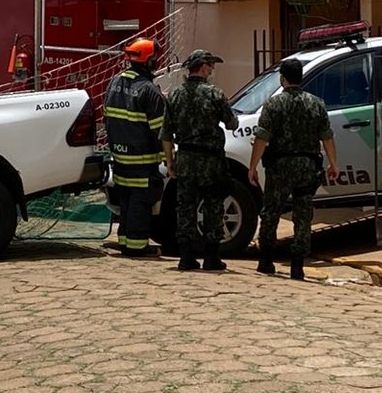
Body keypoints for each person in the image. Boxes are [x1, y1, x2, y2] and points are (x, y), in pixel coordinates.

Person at [248, 58, 338, 280]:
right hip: (308, 166)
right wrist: (334, 163)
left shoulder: (273, 104)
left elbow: (262, 137)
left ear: (282, 79)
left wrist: (252, 166)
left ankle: (266, 260)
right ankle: (297, 265)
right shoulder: (316, 103)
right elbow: (326, 136)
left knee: (271, 212)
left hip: (280, 166)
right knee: (303, 214)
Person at [161, 49, 239, 271]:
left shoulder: (175, 95)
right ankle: (211, 257)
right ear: (203, 67)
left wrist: (169, 162)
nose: (212, 69)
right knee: (213, 205)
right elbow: (231, 123)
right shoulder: (215, 94)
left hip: (185, 157)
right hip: (210, 160)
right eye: (210, 65)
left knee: (185, 207)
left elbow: (166, 133)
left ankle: (186, 256)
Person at [104, 38, 166, 258]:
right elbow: (160, 132)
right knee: (140, 202)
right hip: (143, 161)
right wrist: (168, 159)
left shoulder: (114, 83)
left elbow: (107, 118)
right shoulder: (149, 91)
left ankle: (125, 242)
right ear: (149, 61)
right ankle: (138, 247)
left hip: (120, 158)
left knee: (126, 201)